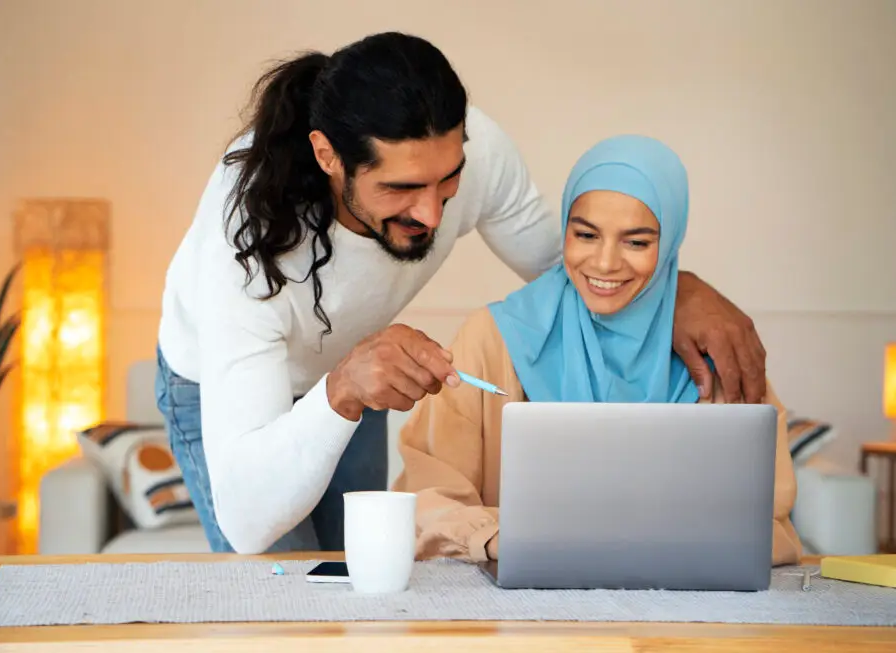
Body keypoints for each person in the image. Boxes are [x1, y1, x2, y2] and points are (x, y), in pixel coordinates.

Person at [155, 31, 770, 555]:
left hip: (346, 368)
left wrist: (679, 287)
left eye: (446, 181)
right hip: (217, 381)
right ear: (328, 156)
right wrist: (342, 387)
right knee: (283, 593)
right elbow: (248, 520)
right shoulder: (247, 242)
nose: (429, 213)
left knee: (363, 573)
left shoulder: (478, 153)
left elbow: (575, 267)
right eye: (401, 188)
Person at [391, 134, 803, 567]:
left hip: (681, 613)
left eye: (637, 242)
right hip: (522, 609)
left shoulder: (718, 353)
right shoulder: (494, 339)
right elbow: (426, 495)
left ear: (669, 245)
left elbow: (768, 518)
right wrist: (494, 539)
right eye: (585, 234)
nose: (605, 263)